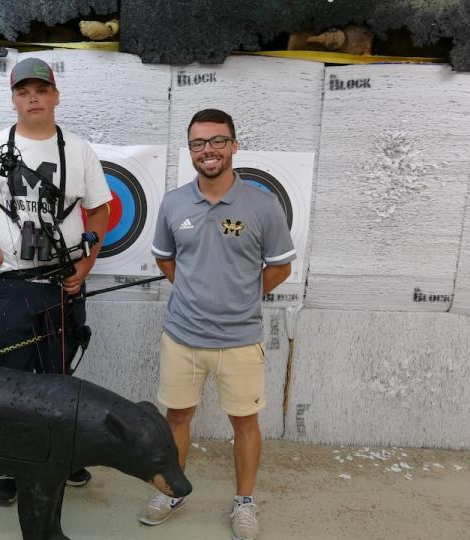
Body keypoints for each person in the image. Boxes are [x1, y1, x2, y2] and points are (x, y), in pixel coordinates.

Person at [0, 57, 111, 503]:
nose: (33, 98)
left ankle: (59, 454)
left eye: (41, 90)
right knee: (12, 380)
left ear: (55, 96)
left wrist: (86, 265)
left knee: (59, 376)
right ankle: (9, 464)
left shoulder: (80, 150)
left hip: (63, 283)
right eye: (24, 92)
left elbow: (99, 211)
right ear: (13, 99)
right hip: (9, 284)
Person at [140, 109, 295, 540]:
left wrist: (240, 297)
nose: (207, 150)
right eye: (198, 143)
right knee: (177, 417)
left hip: (240, 340)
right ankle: (171, 490)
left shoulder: (263, 205)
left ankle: (244, 502)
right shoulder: (173, 203)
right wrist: (195, 292)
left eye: (217, 141)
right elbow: (165, 260)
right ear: (190, 150)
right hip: (182, 336)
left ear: (233, 145)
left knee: (245, 422)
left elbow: (280, 268)